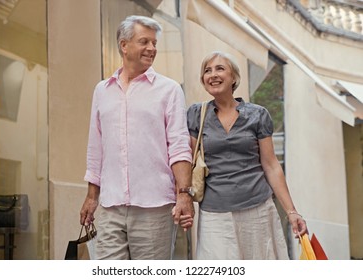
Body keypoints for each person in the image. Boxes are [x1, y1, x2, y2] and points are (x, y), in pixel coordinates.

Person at [79, 15, 194, 260]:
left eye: (154, 43)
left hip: (155, 205)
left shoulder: (169, 89)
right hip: (111, 206)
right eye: (144, 42)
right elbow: (96, 147)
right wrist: (91, 197)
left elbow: (179, 145)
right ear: (124, 45)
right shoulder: (102, 90)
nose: (152, 48)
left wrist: (184, 194)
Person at [181, 51, 307, 260]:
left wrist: (292, 212)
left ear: (234, 78)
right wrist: (183, 197)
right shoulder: (196, 114)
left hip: (258, 210)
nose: (212, 74)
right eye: (207, 71)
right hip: (215, 214)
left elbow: (271, 165)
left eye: (220, 69)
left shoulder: (257, 114)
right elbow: (186, 160)